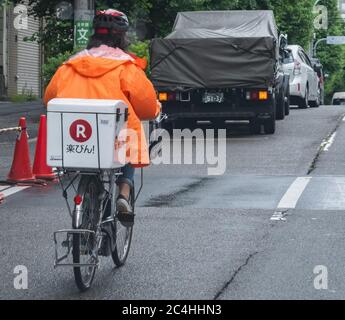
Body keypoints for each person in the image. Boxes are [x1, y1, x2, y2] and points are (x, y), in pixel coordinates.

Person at [44, 9, 160, 223]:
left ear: (94, 35)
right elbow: (145, 108)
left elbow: (49, 99)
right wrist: (156, 109)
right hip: (113, 140)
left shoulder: (70, 66)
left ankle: (86, 198)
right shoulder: (126, 67)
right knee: (130, 136)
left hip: (75, 137)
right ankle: (124, 192)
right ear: (122, 37)